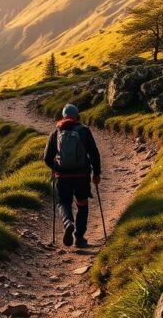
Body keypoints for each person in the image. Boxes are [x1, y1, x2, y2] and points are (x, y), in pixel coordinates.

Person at [43, 103, 101, 247]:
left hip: (62, 176)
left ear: (63, 116)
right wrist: (96, 173)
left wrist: (56, 168)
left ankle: (68, 222)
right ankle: (79, 238)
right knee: (82, 203)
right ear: (77, 116)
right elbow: (94, 153)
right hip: (82, 175)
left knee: (63, 203)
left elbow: (46, 157)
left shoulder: (56, 132)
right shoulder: (84, 131)